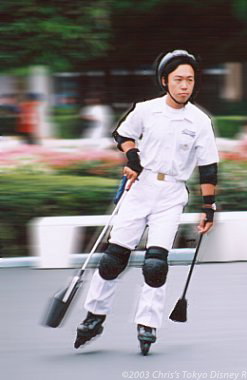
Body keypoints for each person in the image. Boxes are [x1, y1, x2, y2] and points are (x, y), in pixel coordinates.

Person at [74, 50, 219, 351]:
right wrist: (132, 155)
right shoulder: (145, 110)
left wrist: (208, 208)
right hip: (139, 188)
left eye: (189, 80)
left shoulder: (200, 121)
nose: (184, 86)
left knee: (156, 263)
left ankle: (147, 324)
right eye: (178, 79)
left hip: (171, 194)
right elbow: (122, 134)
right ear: (165, 80)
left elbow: (208, 167)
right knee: (113, 258)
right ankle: (94, 315)